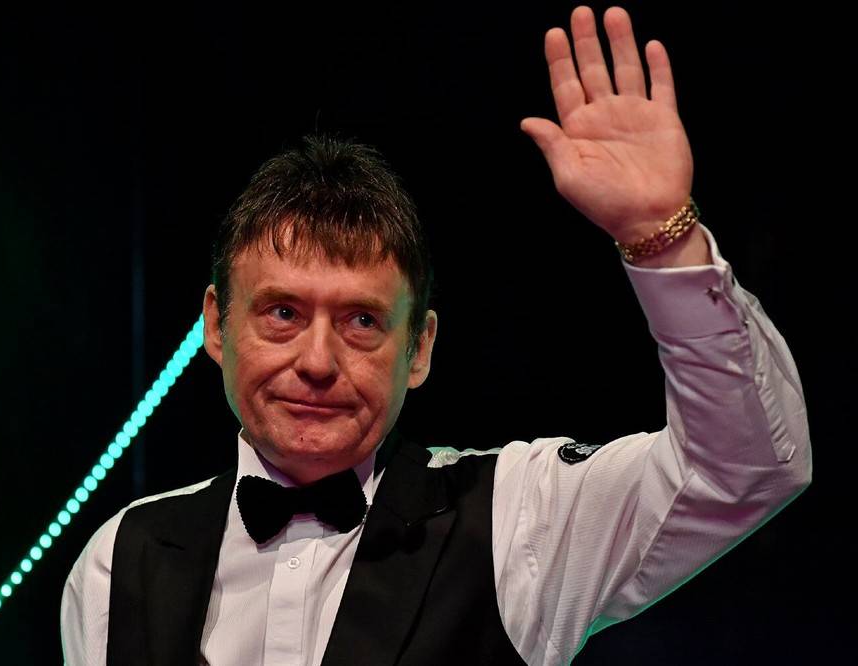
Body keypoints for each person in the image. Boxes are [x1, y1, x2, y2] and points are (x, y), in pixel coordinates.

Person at [60, 6, 811, 665]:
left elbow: (744, 469)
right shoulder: (116, 564)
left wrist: (661, 240)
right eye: (283, 313)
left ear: (418, 348)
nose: (317, 361)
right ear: (217, 325)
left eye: (361, 321)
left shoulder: (517, 519)